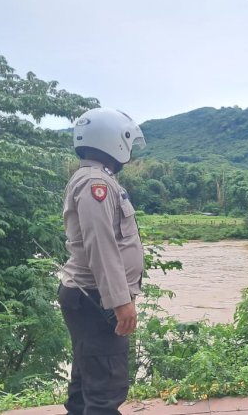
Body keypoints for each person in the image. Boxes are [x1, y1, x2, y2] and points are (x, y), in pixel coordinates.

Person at [58, 107, 146, 415]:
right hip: (97, 300)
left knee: (88, 382)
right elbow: (101, 245)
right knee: (106, 389)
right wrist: (120, 301)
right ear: (113, 141)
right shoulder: (97, 183)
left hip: (88, 298)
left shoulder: (89, 178)